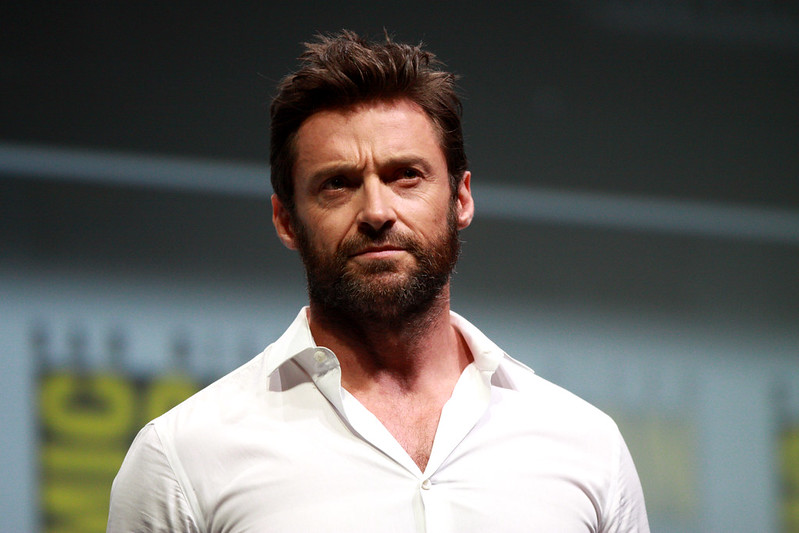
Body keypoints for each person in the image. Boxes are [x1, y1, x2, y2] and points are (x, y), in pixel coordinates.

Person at [107, 30, 649, 532]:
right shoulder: (184, 458)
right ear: (286, 220)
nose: (376, 211)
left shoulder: (585, 445)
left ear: (461, 198)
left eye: (405, 175)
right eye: (337, 184)